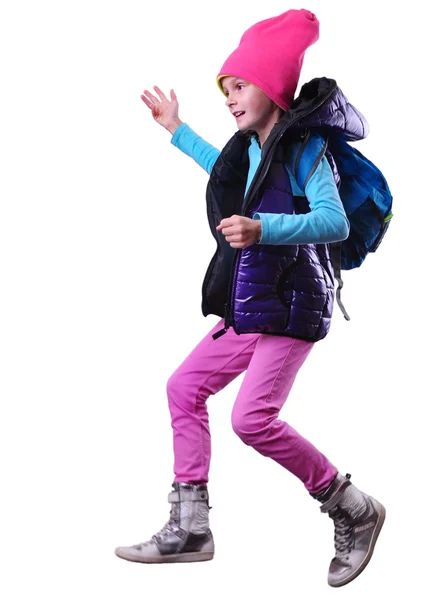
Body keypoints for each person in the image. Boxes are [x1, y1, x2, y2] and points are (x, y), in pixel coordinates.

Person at [115, 8, 385, 588]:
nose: (231, 98)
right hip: (254, 300)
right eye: (227, 89)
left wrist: (262, 229)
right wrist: (175, 129)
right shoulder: (255, 148)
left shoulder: (307, 149)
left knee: (252, 419)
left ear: (271, 87)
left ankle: (352, 507)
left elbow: (333, 222)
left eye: (240, 86)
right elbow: (224, 173)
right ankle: (190, 526)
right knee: (184, 386)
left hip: (292, 305)